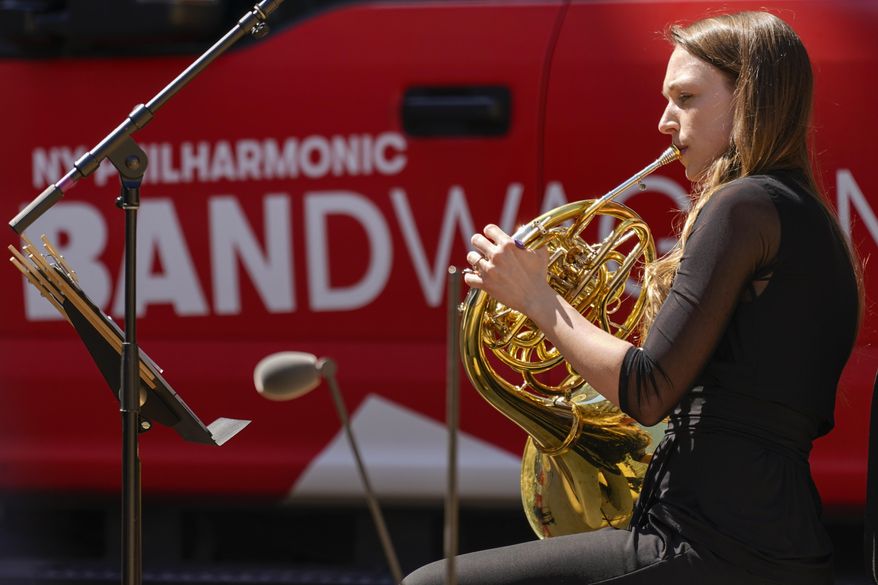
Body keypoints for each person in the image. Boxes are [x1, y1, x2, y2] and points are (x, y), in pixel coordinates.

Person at [402, 10, 861, 585]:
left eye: (686, 98)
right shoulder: (808, 219)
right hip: (770, 542)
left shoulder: (740, 207)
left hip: (710, 546)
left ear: (752, 101)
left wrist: (539, 299)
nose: (665, 121)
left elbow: (646, 390)